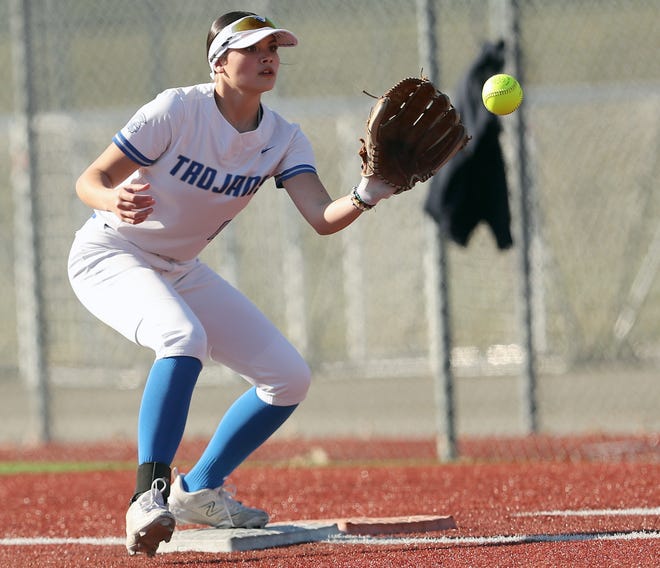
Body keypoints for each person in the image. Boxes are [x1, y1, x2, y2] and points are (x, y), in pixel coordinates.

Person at [67, 11, 396, 557]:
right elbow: (91, 180)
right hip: (111, 253)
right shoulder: (177, 109)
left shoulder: (283, 138)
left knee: (288, 378)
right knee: (181, 337)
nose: (268, 56)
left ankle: (195, 490)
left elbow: (321, 215)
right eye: (253, 48)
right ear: (219, 61)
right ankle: (147, 500)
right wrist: (112, 198)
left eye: (274, 47)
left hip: (178, 265)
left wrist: (367, 192)